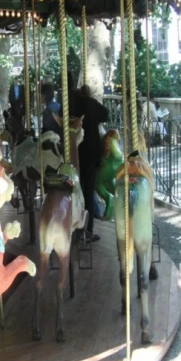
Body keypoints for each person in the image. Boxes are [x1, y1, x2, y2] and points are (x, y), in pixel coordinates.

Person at [69, 85, 110, 243]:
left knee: (75, 190)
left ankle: (74, 227)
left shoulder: (72, 104)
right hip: (90, 154)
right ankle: (88, 229)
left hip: (75, 153)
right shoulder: (91, 104)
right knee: (88, 191)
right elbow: (105, 115)